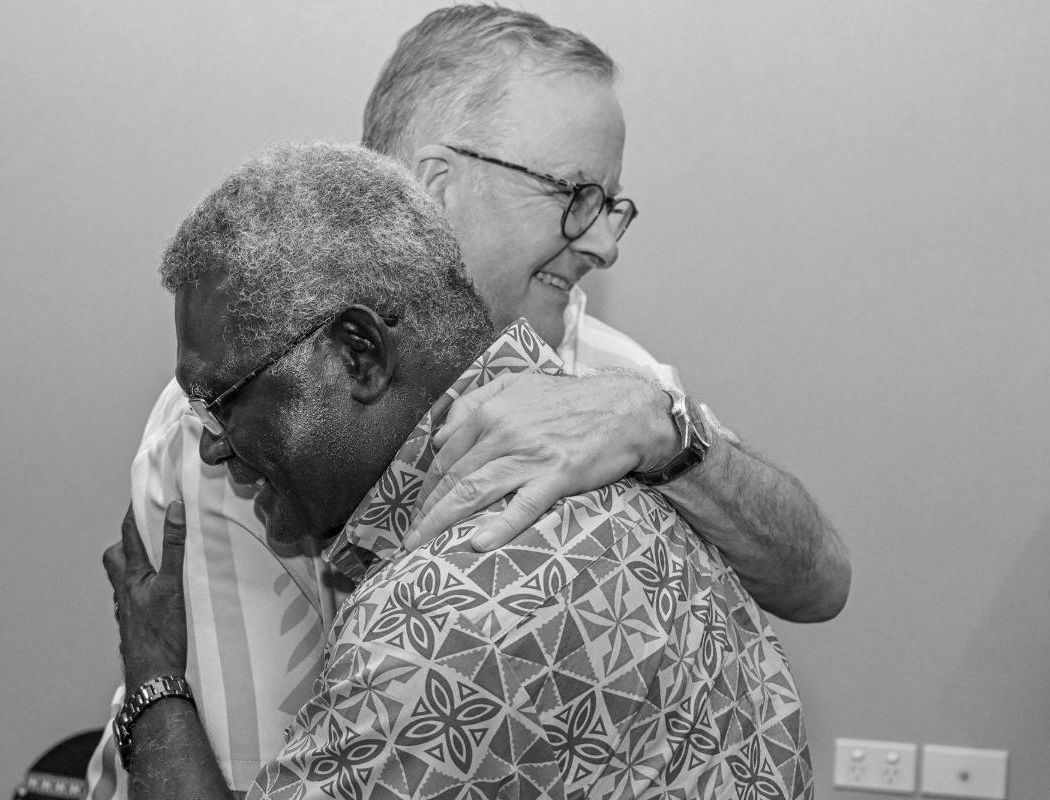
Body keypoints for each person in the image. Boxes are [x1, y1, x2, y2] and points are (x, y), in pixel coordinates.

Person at [86, 6, 847, 798]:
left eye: (612, 204)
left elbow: (819, 583)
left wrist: (669, 429)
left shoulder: (612, 379)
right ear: (432, 187)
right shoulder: (239, 426)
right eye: (577, 193)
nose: (605, 242)